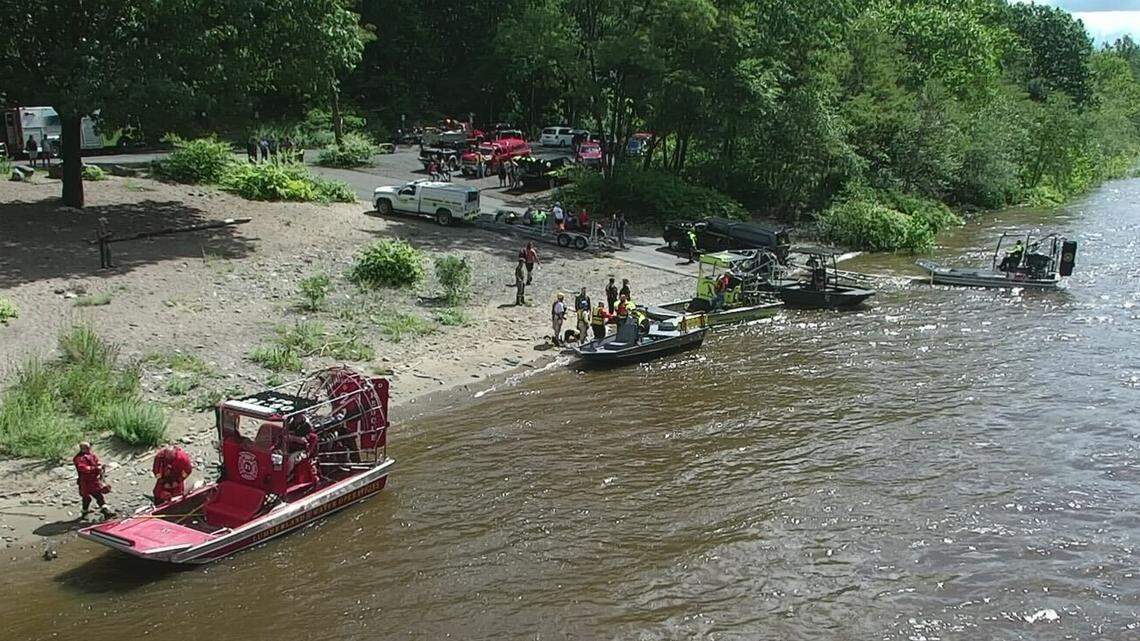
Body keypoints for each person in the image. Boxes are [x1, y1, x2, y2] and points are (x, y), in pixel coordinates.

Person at [73, 442, 112, 518]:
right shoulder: (79, 458)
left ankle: (105, 511)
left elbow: (96, 462)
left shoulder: (91, 455)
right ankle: (85, 512)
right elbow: (82, 468)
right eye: (87, 447)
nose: (89, 449)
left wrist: (100, 466)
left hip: (94, 479)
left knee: (98, 495)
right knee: (87, 498)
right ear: (82, 448)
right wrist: (95, 468)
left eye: (89, 447)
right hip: (85, 481)